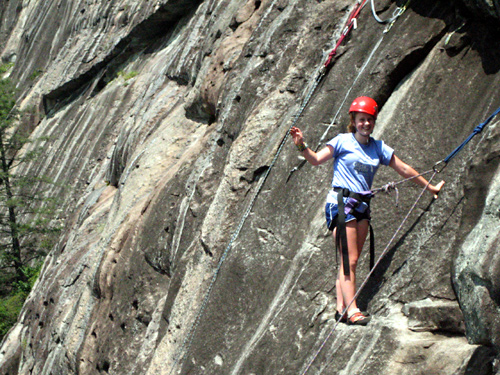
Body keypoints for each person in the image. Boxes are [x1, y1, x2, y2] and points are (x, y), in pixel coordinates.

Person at [290, 96, 444, 325]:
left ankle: (341, 307)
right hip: (341, 203)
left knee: (351, 259)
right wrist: (301, 144)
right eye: (362, 120)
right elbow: (315, 160)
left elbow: (403, 168)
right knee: (348, 259)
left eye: (370, 120)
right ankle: (353, 311)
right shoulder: (342, 141)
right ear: (354, 120)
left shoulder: (378, 148)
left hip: (362, 205)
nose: (366, 124)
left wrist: (430, 187)